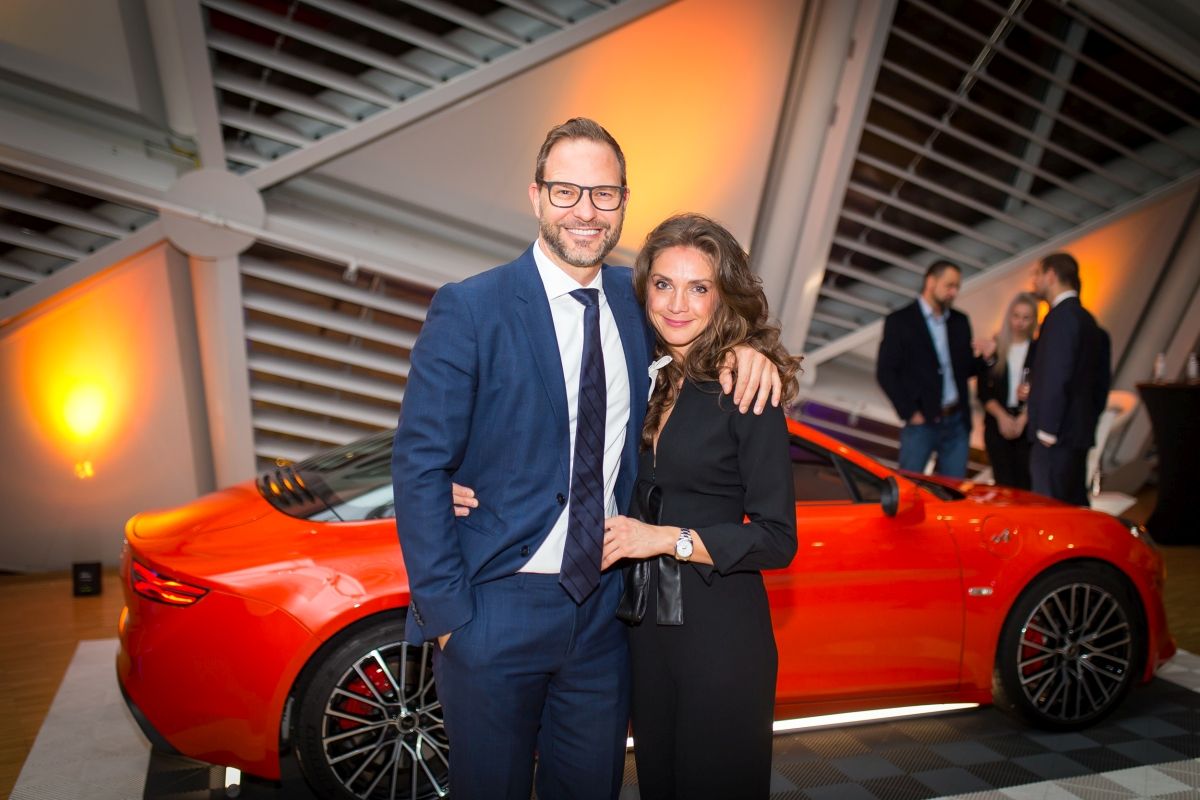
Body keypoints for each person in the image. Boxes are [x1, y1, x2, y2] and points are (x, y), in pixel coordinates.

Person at [391, 118, 781, 800]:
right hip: (494, 606)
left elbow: (702, 315)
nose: (585, 210)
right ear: (536, 195)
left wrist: (752, 354)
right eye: (566, 190)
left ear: (623, 202)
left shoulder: (639, 301)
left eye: (604, 194)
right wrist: (450, 621)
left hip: (604, 617)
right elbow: (419, 464)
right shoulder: (471, 308)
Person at [601, 213, 800, 799]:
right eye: (664, 284)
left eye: (698, 288)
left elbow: (777, 538)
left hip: (719, 632)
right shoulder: (647, 378)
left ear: (722, 296)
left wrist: (667, 539)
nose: (677, 305)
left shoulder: (746, 390)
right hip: (646, 632)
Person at [876, 260, 989, 477]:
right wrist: (910, 412)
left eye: (957, 287)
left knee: (952, 489)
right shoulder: (900, 321)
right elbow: (886, 372)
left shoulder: (960, 321)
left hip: (956, 421)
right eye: (949, 285)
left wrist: (987, 358)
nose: (954, 292)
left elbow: (965, 369)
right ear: (931, 281)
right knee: (909, 484)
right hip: (922, 422)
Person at [1026, 252, 1111, 506]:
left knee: (1049, 510)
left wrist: (1047, 429)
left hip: (1056, 437)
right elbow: (1100, 383)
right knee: (1072, 507)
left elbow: (1057, 374)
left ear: (1051, 275)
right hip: (1077, 434)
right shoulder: (1089, 320)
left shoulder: (1060, 318)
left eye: (1038, 274)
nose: (1034, 281)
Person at [978, 293, 1038, 489]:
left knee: (1025, 485)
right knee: (1003, 485)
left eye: (1026, 317)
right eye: (1016, 316)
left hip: (1027, 425)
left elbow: (1043, 390)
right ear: (1009, 316)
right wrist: (1002, 417)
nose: (1020, 322)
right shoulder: (995, 347)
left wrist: (1023, 418)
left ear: (1033, 320)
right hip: (997, 424)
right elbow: (983, 392)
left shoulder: (1039, 350)